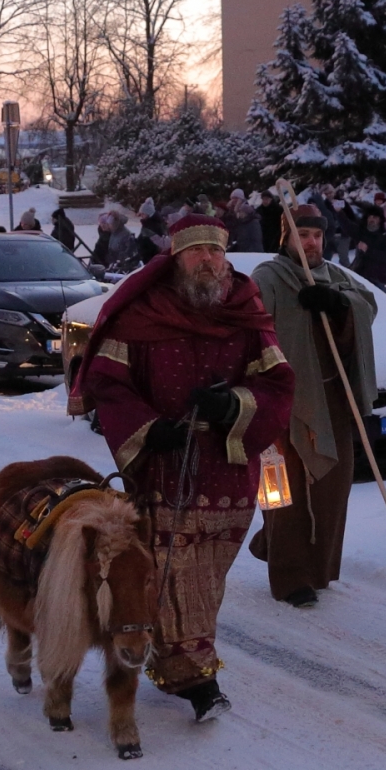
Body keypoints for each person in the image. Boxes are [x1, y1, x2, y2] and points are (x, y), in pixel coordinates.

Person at [76, 214, 293, 721]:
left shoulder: (244, 307)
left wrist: (234, 404)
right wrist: (150, 429)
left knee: (205, 576)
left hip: (226, 467)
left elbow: (279, 382)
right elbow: (108, 384)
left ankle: (167, 651)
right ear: (175, 259)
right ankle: (197, 681)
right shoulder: (143, 310)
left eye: (215, 253)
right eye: (196, 253)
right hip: (165, 466)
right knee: (173, 572)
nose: (208, 262)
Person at [249, 205, 377, 607]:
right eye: (302, 234)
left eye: (317, 236)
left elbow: (366, 303)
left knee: (330, 490)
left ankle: (316, 569)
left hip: (330, 402)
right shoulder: (267, 279)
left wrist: (339, 306)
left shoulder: (335, 277)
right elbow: (248, 331)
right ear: (286, 237)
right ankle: (289, 578)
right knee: (282, 495)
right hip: (280, 404)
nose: (311, 242)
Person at [351, 206, 386, 292]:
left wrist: (368, 250)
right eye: (369, 217)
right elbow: (348, 226)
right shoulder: (363, 233)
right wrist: (340, 212)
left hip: (380, 278)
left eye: (374, 217)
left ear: (380, 219)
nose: (371, 219)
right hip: (361, 277)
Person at [257, 190, 285, 254]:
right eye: (263, 199)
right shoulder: (259, 210)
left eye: (267, 199)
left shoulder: (278, 209)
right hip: (263, 236)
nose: (265, 201)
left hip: (276, 236)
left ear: (271, 199)